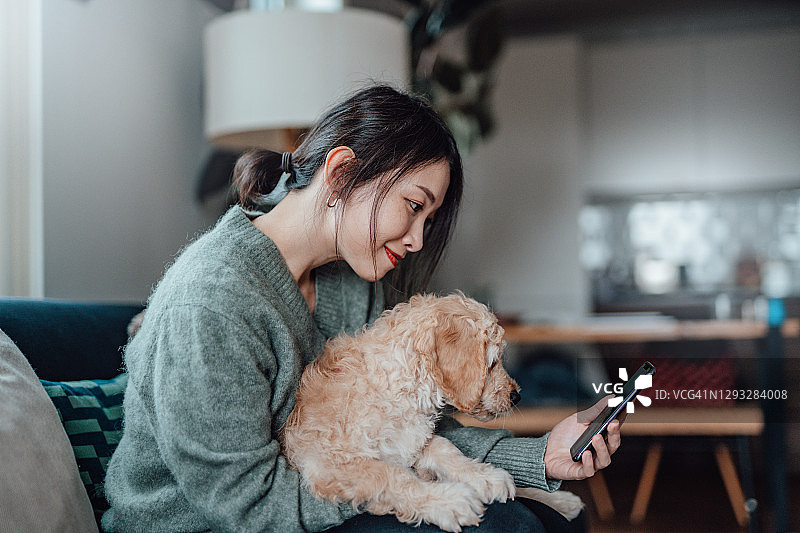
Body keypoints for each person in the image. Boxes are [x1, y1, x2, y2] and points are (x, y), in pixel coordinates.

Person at [102, 84, 621, 532]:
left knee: (554, 517)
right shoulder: (212, 303)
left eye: (428, 218)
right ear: (343, 172)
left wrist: (541, 457)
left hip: (309, 496)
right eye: (414, 206)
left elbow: (407, 428)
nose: (417, 241)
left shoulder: (353, 282)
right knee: (504, 529)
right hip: (216, 523)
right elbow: (248, 505)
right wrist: (410, 492)